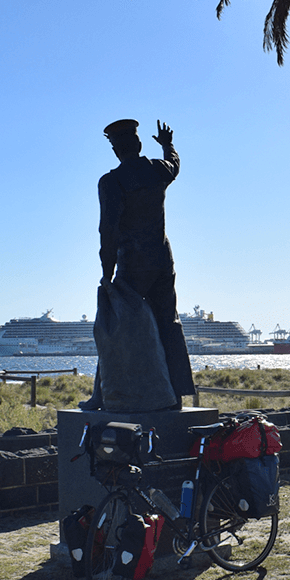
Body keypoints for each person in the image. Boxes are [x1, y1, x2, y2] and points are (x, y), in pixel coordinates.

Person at [80, 119, 195, 411]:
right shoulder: (157, 169)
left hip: (132, 261)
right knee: (168, 322)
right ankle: (177, 395)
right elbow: (175, 164)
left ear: (116, 151)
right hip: (162, 258)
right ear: (140, 144)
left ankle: (101, 396)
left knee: (114, 325)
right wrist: (168, 143)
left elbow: (108, 230)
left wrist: (107, 273)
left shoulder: (111, 181)